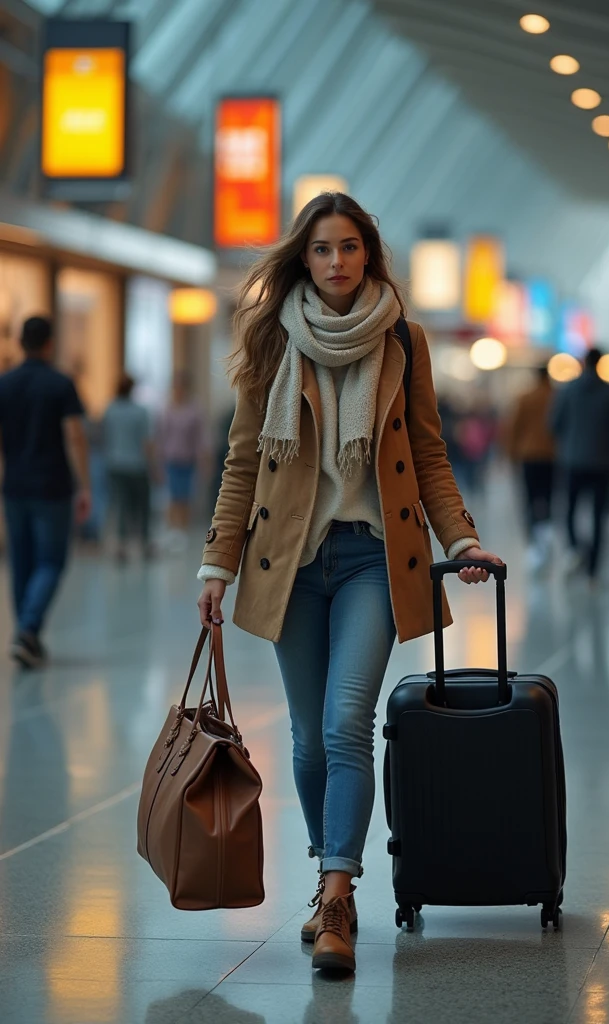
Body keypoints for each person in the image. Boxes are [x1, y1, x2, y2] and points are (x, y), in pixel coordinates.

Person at [195, 192, 503, 974]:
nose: (338, 262)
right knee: (305, 738)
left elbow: (428, 456)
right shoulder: (270, 342)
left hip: (372, 558)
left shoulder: (404, 340)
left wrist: (462, 537)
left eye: (351, 249)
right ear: (306, 258)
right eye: (324, 249)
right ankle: (328, 862)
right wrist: (215, 564)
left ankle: (337, 894)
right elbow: (241, 464)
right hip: (288, 561)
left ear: (370, 256)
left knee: (344, 723)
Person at [0, 316, 91, 668]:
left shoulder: (5, 384)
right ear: (50, 343)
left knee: (21, 561)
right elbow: (74, 435)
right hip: (52, 487)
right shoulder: (60, 384)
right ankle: (27, 629)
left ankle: (28, 635)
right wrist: (84, 485)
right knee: (51, 561)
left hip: (15, 487)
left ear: (21, 342)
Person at [551, 347, 609, 580]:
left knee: (570, 511)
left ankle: (576, 549)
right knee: (598, 515)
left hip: (573, 460)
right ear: (601, 362)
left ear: (583, 362)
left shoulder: (568, 390)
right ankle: (593, 568)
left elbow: (554, 424)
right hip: (603, 462)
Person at [504, 365, 556, 571]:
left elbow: (514, 427)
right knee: (548, 496)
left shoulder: (525, 398)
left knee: (529, 498)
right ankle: (546, 530)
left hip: (528, 454)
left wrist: (510, 454)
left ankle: (533, 539)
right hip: (552, 455)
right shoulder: (555, 397)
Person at [155, 371, 209, 552]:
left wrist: (203, 460)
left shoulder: (194, 409)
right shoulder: (167, 408)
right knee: (172, 495)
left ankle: (182, 532)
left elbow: (200, 437)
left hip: (188, 459)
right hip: (171, 458)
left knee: (185, 496)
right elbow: (161, 435)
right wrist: (158, 461)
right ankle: (172, 531)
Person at [102, 374, 153, 562]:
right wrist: (154, 466)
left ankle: (121, 547)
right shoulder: (141, 411)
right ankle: (145, 544)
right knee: (142, 507)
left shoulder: (110, 410)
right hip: (137, 465)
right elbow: (147, 442)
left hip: (116, 464)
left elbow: (104, 436)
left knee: (121, 506)